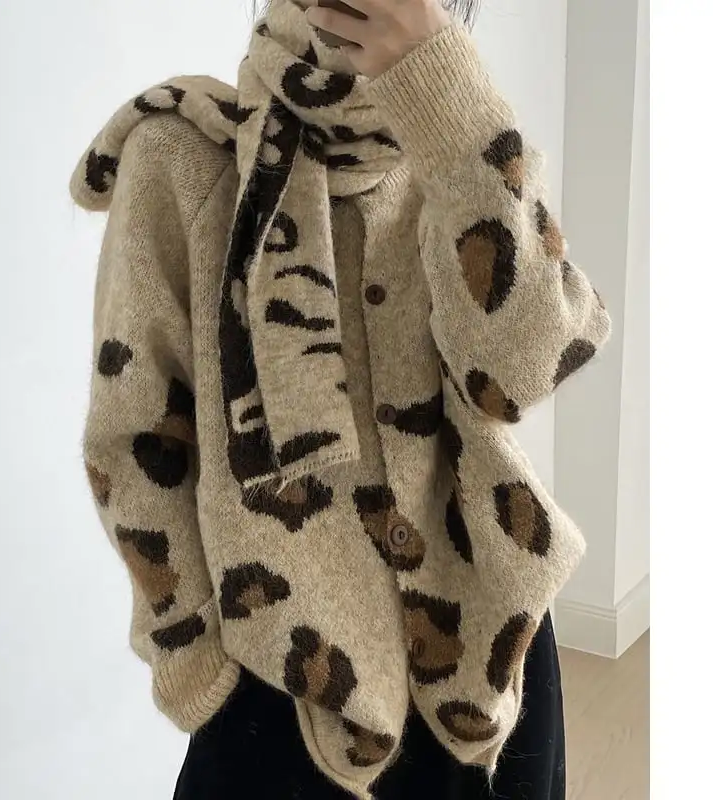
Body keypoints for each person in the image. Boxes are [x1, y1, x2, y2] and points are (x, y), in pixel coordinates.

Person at [70, 1, 611, 797]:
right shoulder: (182, 152)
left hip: (485, 655)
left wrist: (448, 105)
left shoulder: (464, 140)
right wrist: (193, 661)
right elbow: (135, 437)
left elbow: (524, 370)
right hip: (281, 682)